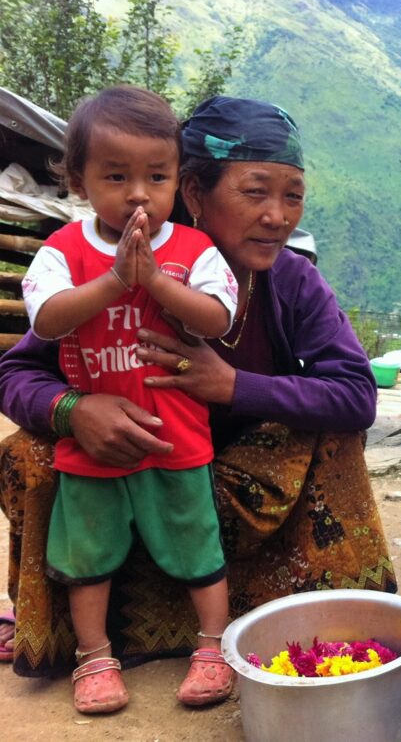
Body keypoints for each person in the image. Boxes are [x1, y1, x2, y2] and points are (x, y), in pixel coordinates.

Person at [0, 96, 396, 685]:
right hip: (126, 480)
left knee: (331, 439)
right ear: (192, 193)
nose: (278, 216)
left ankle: (286, 610)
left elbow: (356, 395)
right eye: (255, 191)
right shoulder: (115, 264)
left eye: (293, 195)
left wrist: (232, 385)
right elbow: (16, 373)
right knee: (27, 454)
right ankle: (90, 639)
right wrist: (73, 410)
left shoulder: (291, 281)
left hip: (231, 489)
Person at [17, 85, 238, 713]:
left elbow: (217, 319)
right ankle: (94, 656)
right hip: (92, 445)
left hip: (178, 439)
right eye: (116, 176)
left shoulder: (193, 250)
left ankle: (212, 647)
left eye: (157, 176)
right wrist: (116, 278)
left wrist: (152, 283)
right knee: (87, 553)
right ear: (80, 182)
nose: (138, 193)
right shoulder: (64, 251)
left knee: (199, 544)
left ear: (177, 180)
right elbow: (50, 320)